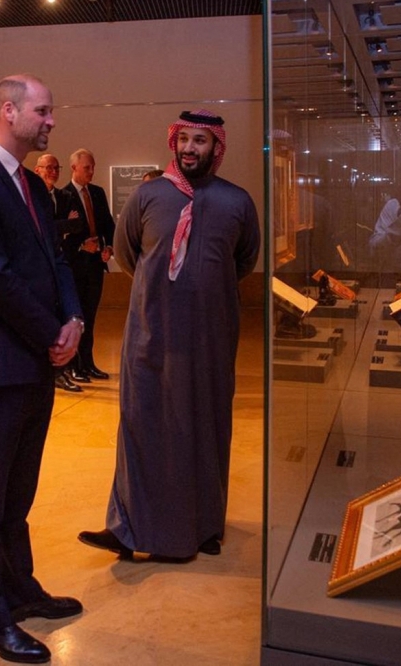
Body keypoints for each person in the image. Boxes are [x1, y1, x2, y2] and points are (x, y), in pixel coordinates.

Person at [78, 110, 260, 560]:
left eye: (201, 141)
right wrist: (161, 292)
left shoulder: (237, 201)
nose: (191, 149)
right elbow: (126, 254)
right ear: (173, 143)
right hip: (151, 335)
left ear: (216, 147)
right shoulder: (148, 196)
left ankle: (204, 528)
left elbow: (244, 262)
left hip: (210, 339)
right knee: (143, 424)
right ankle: (127, 527)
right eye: (185, 140)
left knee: (206, 425)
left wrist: (203, 294)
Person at [0, 73, 84, 664]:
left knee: (19, 492)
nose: (51, 121)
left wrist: (75, 318)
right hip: (3, 364)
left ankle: (20, 590)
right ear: (8, 110)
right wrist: (51, 331)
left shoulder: (32, 183)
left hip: (37, 361)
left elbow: (55, 261)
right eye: (43, 111)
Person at [61, 148, 115, 382]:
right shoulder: (64, 196)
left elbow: (108, 225)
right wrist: (82, 245)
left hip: (94, 266)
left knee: (90, 317)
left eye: (92, 167)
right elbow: (61, 234)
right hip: (75, 266)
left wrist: (108, 247)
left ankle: (88, 363)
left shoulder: (98, 193)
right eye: (87, 168)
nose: (91, 171)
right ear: (74, 168)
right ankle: (73, 365)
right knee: (76, 317)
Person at [35, 153, 85, 393]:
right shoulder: (33, 197)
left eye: (56, 167)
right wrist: (63, 225)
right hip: (42, 269)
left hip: (63, 263)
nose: (53, 172)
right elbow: (43, 229)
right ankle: (54, 372)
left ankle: (64, 370)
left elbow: (78, 224)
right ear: (37, 170)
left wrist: (58, 227)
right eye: (48, 168)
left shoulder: (63, 196)